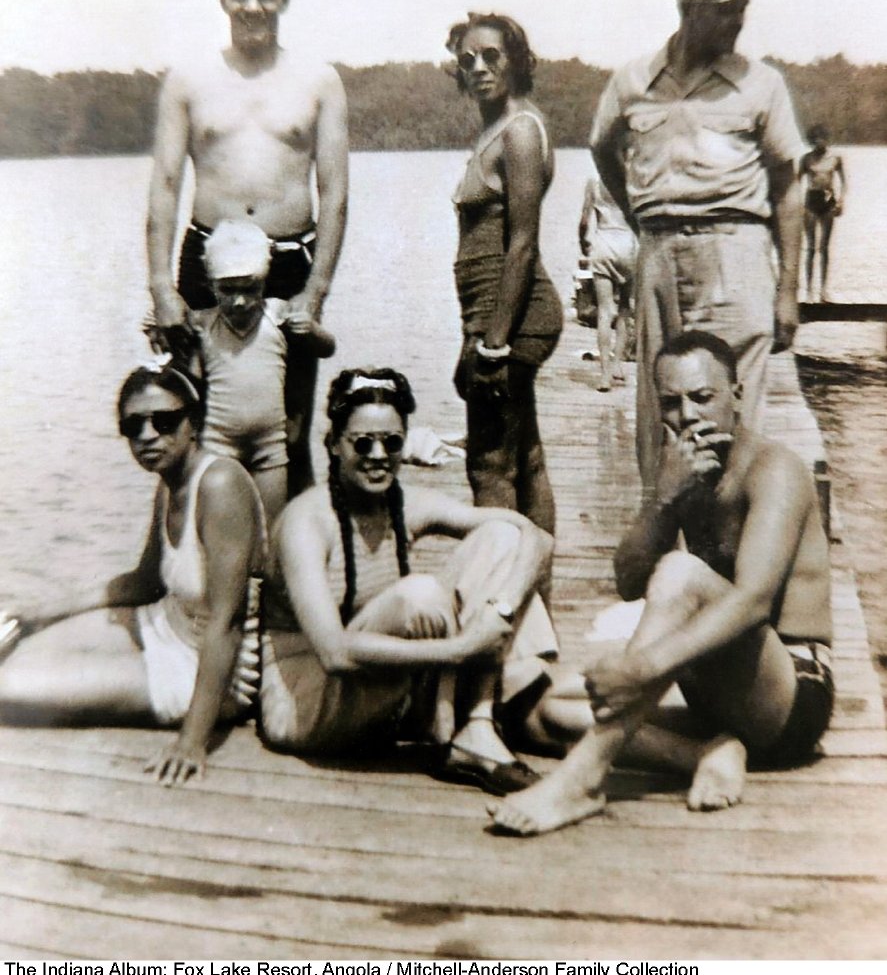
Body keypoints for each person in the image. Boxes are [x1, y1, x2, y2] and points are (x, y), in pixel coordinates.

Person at [490, 330, 833, 835]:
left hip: (789, 699)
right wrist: (663, 499)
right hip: (717, 690)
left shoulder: (773, 470)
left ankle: (580, 784)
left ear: (737, 395)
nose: (688, 416)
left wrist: (640, 669)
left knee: (680, 573)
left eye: (702, 397)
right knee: (541, 706)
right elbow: (629, 581)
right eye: (671, 402)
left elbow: (753, 602)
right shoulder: (687, 470)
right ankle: (706, 752)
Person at [259, 368, 559, 795]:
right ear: (333, 444)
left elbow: (535, 536)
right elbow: (335, 653)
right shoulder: (307, 523)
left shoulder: (407, 504)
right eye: (362, 443)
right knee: (420, 594)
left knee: (500, 536)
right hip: (306, 705)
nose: (379, 455)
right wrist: (464, 649)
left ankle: (475, 724)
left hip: (378, 686)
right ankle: (481, 712)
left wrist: (501, 611)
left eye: (392, 442)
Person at [591, 0, 807, 488]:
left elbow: (788, 188)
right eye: (730, 12)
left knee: (730, 412)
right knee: (660, 404)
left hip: (736, 251)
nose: (741, 22)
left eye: (743, 8)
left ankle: (735, 551)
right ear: (691, 12)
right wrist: (642, 218)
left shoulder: (762, 85)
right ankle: (667, 541)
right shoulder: (633, 80)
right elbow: (602, 148)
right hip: (659, 252)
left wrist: (786, 292)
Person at [0, 361, 265, 787]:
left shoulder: (219, 484)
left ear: (193, 423)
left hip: (208, 667)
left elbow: (226, 622)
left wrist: (192, 741)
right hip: (163, 622)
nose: (146, 435)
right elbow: (145, 582)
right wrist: (43, 612)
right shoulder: (169, 480)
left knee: (8, 688)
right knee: (15, 638)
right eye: (133, 426)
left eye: (163, 421)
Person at [146, 0, 348, 498]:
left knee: (291, 428)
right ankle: (186, 574)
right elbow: (165, 186)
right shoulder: (188, 80)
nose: (253, 6)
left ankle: (285, 576)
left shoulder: (319, 80)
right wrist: (162, 287)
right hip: (206, 262)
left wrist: (316, 291)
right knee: (189, 428)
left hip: (288, 266)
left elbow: (334, 196)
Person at [446, 13, 563, 536]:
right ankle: (536, 593)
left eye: (491, 56)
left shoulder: (519, 133)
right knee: (525, 453)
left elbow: (521, 244)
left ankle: (502, 589)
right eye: (467, 59)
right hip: (496, 317)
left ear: (516, 60)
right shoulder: (494, 130)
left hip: (514, 320)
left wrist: (492, 346)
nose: (478, 67)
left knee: (489, 463)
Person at [188, 219, 335, 528]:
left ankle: (270, 574)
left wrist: (312, 331)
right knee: (223, 528)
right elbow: (178, 353)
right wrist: (156, 327)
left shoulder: (278, 313)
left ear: (264, 283)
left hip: (270, 445)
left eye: (250, 289)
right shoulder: (203, 322)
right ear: (211, 286)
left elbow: (328, 348)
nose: (239, 301)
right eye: (227, 290)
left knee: (273, 529)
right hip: (218, 442)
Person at [578, 175, 638, 391]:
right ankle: (617, 365)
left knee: (605, 311)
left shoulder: (593, 181)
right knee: (624, 309)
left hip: (604, 242)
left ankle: (604, 376)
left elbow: (585, 221)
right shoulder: (633, 180)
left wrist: (583, 243)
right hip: (629, 243)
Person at [801, 125, 847, 302]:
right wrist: (798, 204)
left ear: (827, 139)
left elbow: (844, 182)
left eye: (822, 138)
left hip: (828, 201)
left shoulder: (835, 158)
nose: (819, 142)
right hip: (811, 201)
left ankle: (823, 290)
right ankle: (809, 292)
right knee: (811, 248)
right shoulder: (806, 159)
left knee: (824, 248)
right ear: (812, 140)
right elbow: (797, 182)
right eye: (815, 139)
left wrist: (841, 201)